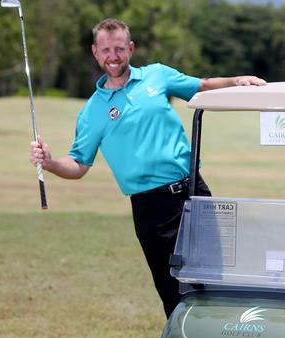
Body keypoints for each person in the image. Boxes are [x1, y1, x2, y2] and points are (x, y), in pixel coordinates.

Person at [29, 18, 266, 318]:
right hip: (152, 208)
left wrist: (235, 81)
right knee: (173, 292)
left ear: (130, 48)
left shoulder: (157, 76)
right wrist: (49, 163)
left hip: (195, 191)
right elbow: (78, 164)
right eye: (105, 50)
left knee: (214, 279)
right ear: (95, 52)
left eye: (118, 49)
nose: (113, 56)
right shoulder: (92, 111)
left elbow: (201, 86)